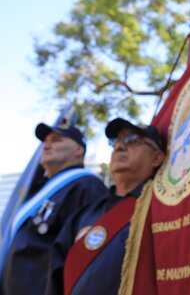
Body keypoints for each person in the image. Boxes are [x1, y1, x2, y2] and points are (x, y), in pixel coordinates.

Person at [45, 118, 165, 295]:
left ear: (156, 157)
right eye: (116, 142)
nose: (119, 147)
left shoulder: (162, 208)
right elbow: (56, 277)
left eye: (132, 140)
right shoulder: (83, 214)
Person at [0, 122, 107, 295]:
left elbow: (87, 256)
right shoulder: (38, 193)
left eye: (57, 140)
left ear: (78, 150)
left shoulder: (86, 186)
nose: (47, 145)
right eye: (45, 141)